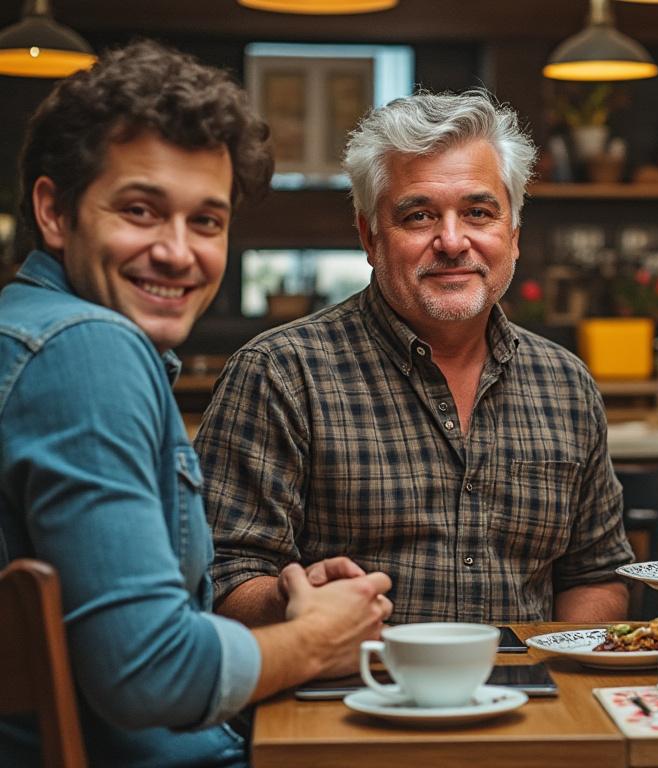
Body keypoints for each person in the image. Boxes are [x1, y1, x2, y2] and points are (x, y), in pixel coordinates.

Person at [0, 41, 392, 767]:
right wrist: (316, 640)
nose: (178, 252)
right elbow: (150, 674)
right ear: (54, 212)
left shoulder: (29, 330)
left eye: (206, 221)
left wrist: (285, 607)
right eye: (141, 210)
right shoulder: (86, 348)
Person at [195, 90, 634, 627]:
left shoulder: (565, 383)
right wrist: (294, 599)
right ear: (370, 236)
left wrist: (565, 682)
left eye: (478, 212)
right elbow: (221, 575)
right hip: (346, 699)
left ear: (513, 235)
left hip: (528, 699)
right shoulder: (281, 373)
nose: (452, 242)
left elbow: (594, 574)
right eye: (419, 215)